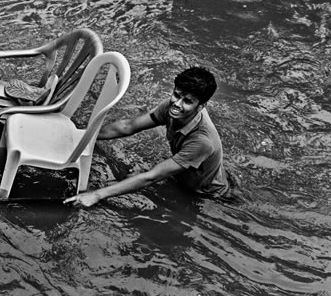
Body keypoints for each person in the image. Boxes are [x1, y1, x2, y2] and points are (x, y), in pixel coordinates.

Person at [66, 66, 231, 208]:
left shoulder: (202, 141)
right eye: (176, 95)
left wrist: (96, 195)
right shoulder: (172, 106)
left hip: (206, 195)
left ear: (201, 106)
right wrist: (81, 135)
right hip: (186, 173)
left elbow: (151, 177)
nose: (177, 104)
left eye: (187, 101)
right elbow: (128, 126)